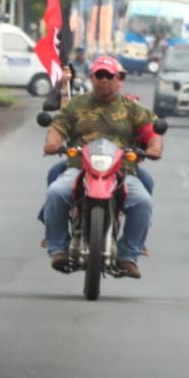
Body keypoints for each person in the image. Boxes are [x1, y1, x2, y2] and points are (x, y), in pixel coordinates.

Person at [41, 55, 163, 278]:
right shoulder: (75, 105)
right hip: (80, 167)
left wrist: (154, 148)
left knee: (143, 202)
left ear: (117, 79)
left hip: (121, 171)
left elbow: (151, 133)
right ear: (92, 77)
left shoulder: (132, 107)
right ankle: (58, 248)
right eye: (100, 75)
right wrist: (53, 143)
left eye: (109, 76)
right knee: (56, 192)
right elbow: (57, 128)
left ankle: (128, 255)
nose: (104, 80)